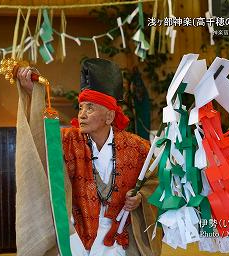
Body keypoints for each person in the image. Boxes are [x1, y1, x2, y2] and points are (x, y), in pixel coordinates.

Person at [17, 58, 162, 256]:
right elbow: (42, 139)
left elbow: (155, 180)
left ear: (109, 116)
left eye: (90, 108)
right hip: (77, 235)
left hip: (119, 237)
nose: (82, 114)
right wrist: (33, 93)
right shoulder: (68, 141)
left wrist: (139, 197)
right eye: (81, 107)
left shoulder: (136, 147)